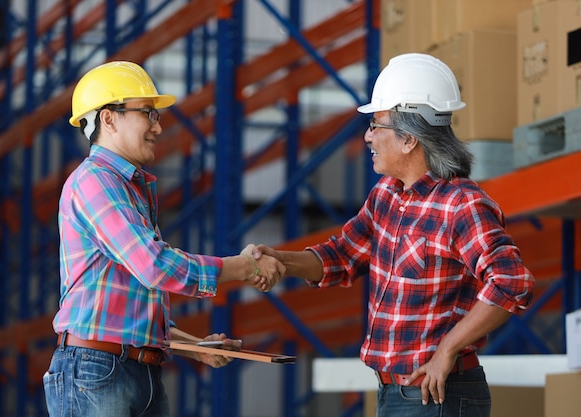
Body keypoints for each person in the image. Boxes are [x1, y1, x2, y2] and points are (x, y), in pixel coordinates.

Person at [254, 53, 534, 417]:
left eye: (376, 124)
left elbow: (511, 282)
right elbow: (340, 256)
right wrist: (279, 260)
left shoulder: (461, 205)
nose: (368, 136)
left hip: (437, 394)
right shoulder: (386, 195)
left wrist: (447, 349)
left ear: (409, 139)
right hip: (393, 393)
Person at [43, 60, 285, 417]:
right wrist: (244, 267)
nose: (158, 126)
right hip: (98, 371)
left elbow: (129, 307)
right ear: (109, 119)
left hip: (131, 370)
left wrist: (193, 345)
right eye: (147, 114)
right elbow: (155, 266)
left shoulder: (126, 188)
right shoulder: (94, 181)